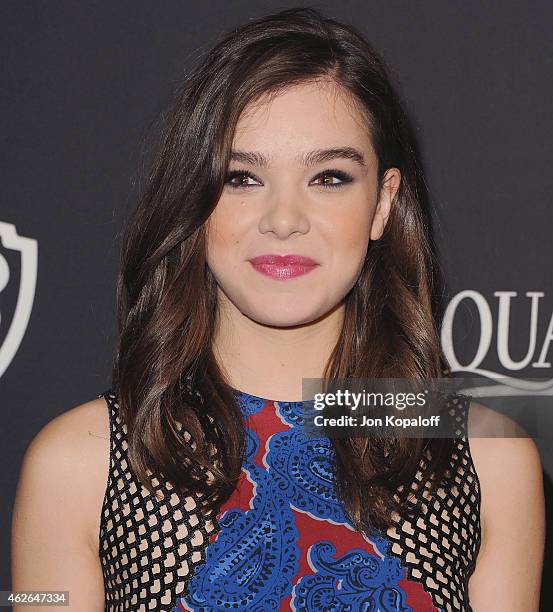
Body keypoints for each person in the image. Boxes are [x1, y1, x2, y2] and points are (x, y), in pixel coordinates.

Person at [11, 7, 544, 612]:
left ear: (383, 203)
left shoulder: (489, 459)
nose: (284, 219)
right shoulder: (75, 463)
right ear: (196, 201)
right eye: (242, 178)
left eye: (330, 177)